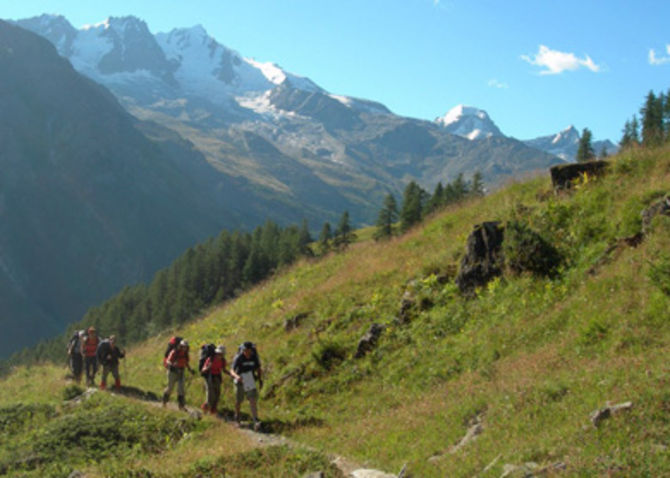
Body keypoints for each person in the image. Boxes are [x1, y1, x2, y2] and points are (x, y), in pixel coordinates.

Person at [231, 341, 263, 430]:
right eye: (245, 350)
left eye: (248, 350)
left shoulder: (254, 357)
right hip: (240, 379)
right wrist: (237, 377)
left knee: (252, 400)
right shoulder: (239, 357)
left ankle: (255, 419)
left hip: (250, 379)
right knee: (239, 400)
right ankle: (237, 417)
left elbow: (258, 368)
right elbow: (232, 370)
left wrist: (260, 379)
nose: (247, 352)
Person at [201, 345, 240, 415]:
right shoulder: (210, 359)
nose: (219, 355)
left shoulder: (223, 360)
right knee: (210, 395)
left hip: (217, 377)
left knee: (217, 394)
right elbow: (203, 370)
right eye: (218, 354)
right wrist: (208, 367)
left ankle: (212, 410)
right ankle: (206, 409)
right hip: (209, 377)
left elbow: (224, 370)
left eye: (221, 354)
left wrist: (231, 375)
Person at [163, 339, 194, 410]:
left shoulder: (186, 354)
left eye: (185, 347)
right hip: (172, 372)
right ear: (180, 346)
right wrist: (173, 365)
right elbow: (168, 361)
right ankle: (164, 402)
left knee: (181, 389)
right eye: (183, 346)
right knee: (170, 388)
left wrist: (190, 370)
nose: (184, 348)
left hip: (181, 372)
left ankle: (181, 406)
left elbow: (186, 363)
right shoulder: (174, 352)